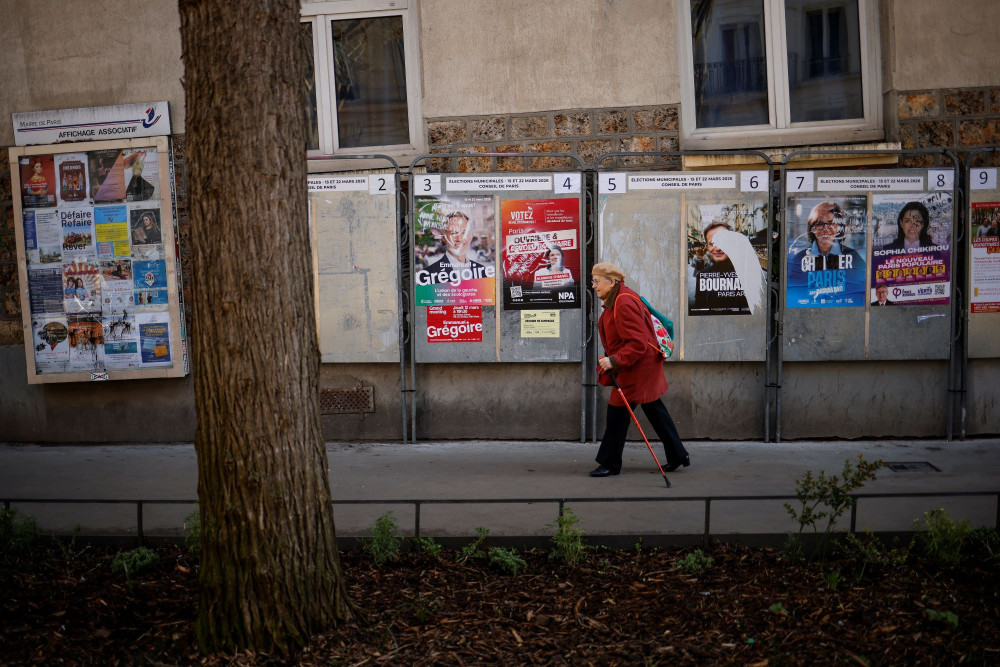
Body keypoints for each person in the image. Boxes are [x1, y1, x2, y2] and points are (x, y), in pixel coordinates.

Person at [590, 262, 689, 477]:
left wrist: (613, 361)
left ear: (611, 282)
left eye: (597, 282)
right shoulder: (618, 297)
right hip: (641, 366)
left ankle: (610, 463)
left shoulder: (623, 302)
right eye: (593, 281)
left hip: (636, 369)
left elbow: (637, 343)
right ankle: (678, 455)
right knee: (655, 410)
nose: (594, 286)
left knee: (617, 414)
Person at [692, 222, 749, 313]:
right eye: (712, 243)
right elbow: (699, 310)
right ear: (707, 247)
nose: (717, 248)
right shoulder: (702, 276)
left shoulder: (747, 274)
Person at [421, 211, 488, 276]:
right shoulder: (429, 274)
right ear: (444, 238)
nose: (459, 239)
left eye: (464, 233)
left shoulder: (481, 271)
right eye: (453, 233)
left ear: (471, 236)